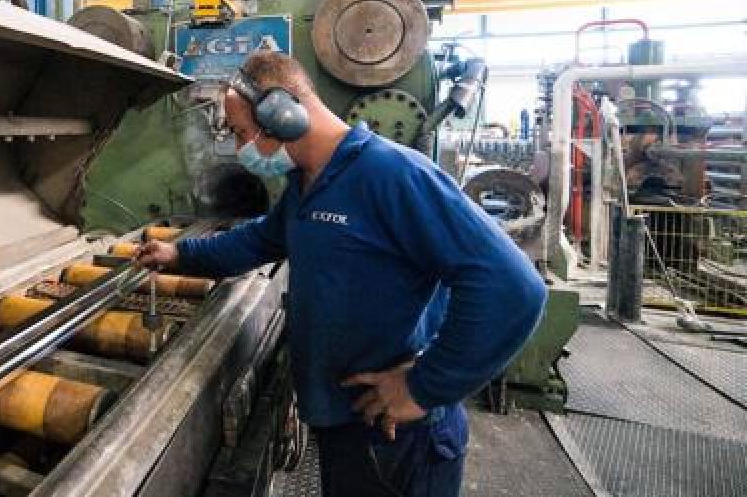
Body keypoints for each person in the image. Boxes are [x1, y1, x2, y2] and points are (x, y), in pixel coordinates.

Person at [136, 50, 547, 497]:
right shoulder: (307, 184)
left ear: (283, 114)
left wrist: (425, 386)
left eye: (241, 133)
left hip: (395, 434)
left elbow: (513, 287)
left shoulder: (390, 174)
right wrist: (178, 256)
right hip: (344, 424)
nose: (241, 149)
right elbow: (257, 241)